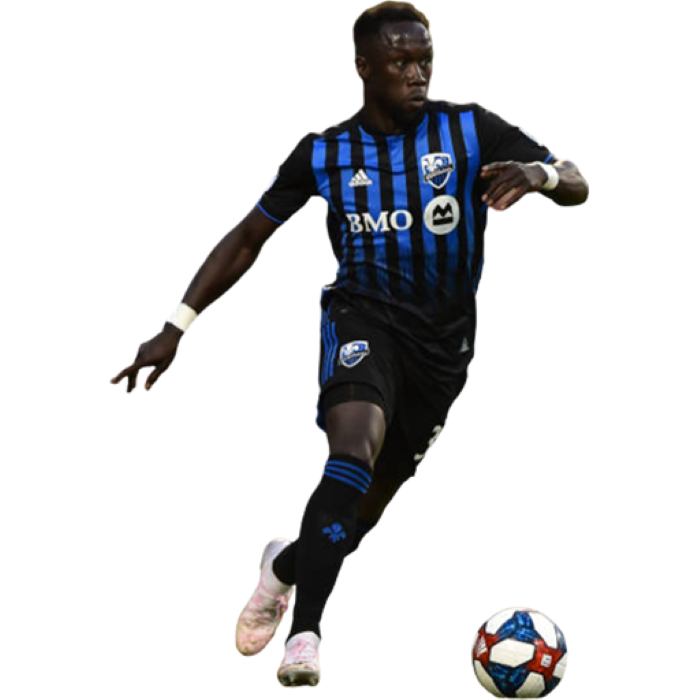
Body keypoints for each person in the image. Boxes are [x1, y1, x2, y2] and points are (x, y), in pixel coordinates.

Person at [109, 0, 589, 689]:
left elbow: (577, 179)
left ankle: (282, 567)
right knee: (352, 450)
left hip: (443, 348)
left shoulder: (470, 126)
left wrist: (540, 175)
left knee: (367, 502)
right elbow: (247, 238)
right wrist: (176, 325)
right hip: (362, 321)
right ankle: (306, 634)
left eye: (426, 60)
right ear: (363, 67)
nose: (418, 74)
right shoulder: (323, 151)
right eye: (401, 62)